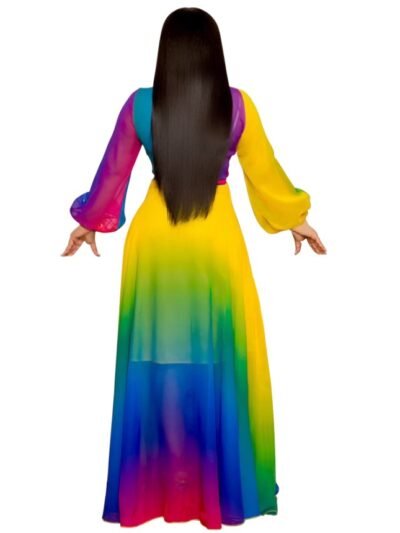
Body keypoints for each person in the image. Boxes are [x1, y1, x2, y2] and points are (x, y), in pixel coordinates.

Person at [61, 6, 327, 530]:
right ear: (213, 52)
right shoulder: (236, 106)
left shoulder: (140, 106)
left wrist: (89, 222)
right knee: (219, 358)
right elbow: (265, 174)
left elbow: (112, 175)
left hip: (156, 245)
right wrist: (295, 219)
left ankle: (156, 490)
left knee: (154, 362)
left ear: (166, 53)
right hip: (214, 244)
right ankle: (211, 492)